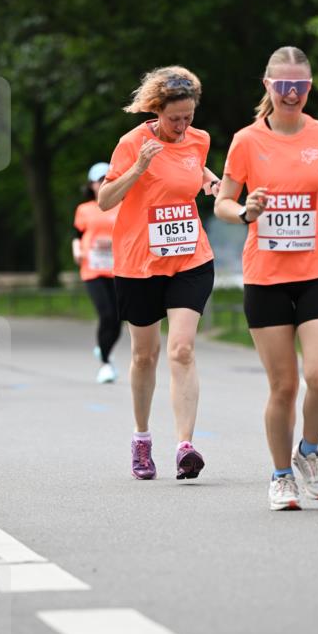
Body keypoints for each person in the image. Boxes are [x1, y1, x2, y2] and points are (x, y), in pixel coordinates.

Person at [214, 45, 318, 511]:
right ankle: (279, 476)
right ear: (268, 86)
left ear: (309, 87)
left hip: (317, 271)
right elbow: (222, 202)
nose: (292, 94)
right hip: (267, 276)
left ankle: (308, 451)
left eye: (301, 86)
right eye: (284, 85)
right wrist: (245, 211)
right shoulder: (246, 140)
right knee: (284, 386)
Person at [98, 66, 220, 480]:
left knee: (181, 350)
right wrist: (137, 169)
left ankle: (185, 445)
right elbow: (104, 200)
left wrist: (210, 179)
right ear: (156, 111)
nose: (182, 125)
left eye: (188, 116)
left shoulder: (198, 140)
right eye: (174, 119)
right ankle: (142, 437)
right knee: (144, 355)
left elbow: (191, 165)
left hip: (189, 258)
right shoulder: (132, 143)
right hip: (139, 262)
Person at [72, 162, 122, 383]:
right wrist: (76, 250)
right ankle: (105, 362)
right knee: (107, 314)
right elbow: (76, 234)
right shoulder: (84, 209)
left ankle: (104, 350)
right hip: (92, 269)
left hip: (118, 268)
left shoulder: (122, 204)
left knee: (120, 318)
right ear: (91, 185)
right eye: (99, 180)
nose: (104, 183)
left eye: (108, 179)